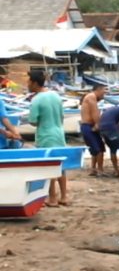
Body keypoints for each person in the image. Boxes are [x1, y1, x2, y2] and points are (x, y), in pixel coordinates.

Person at [28, 70, 68, 207]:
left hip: (45, 136)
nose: (27, 84)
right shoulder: (56, 95)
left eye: (28, 82)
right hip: (59, 134)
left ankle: (52, 198)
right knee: (61, 167)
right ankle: (64, 196)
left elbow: (33, 121)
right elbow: (62, 117)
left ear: (34, 83)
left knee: (48, 168)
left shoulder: (36, 99)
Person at [80, 83, 106, 174]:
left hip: (86, 126)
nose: (104, 94)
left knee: (94, 149)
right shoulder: (91, 96)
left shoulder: (89, 97)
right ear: (98, 89)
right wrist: (98, 125)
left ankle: (94, 169)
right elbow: (94, 112)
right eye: (103, 91)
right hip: (89, 126)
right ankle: (100, 169)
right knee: (99, 148)